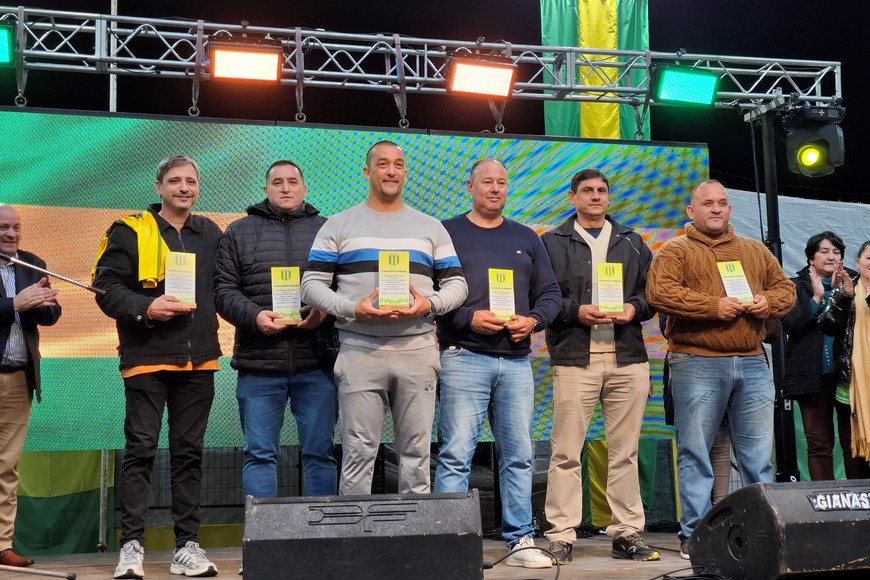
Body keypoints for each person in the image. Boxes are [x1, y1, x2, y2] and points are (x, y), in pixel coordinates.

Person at [300, 141, 468, 495]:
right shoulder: (339, 225)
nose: (391, 171)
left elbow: (458, 285)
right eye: (382, 164)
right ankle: (355, 531)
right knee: (358, 453)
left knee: (417, 455)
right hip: (360, 350)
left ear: (405, 173)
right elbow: (310, 285)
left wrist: (429, 304)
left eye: (398, 165)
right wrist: (352, 308)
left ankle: (414, 529)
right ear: (367, 172)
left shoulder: (431, 227)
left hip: (417, 350)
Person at [646, 179, 795, 560]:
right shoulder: (676, 250)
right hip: (696, 360)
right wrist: (713, 307)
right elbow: (660, 292)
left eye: (722, 203)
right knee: (695, 453)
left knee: (757, 457)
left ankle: (761, 532)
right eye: (708, 203)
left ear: (729, 209)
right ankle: (695, 536)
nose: (716, 209)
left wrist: (767, 302)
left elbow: (787, 291)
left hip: (752, 360)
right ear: (691, 211)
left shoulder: (754, 250)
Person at [93, 155, 222, 579]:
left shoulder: (210, 233)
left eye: (191, 181)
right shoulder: (129, 231)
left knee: (189, 455)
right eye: (175, 181)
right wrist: (147, 307)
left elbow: (227, 288)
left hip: (199, 361)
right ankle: (132, 547)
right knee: (141, 451)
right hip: (146, 358)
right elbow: (106, 288)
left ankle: (187, 547)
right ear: (158, 187)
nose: (184, 188)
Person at [433, 159, 560, 569]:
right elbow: (431, 294)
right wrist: (467, 319)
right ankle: (450, 543)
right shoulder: (447, 233)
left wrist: (533, 321)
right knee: (456, 455)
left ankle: (520, 540)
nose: (494, 188)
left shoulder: (526, 237)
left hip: (517, 363)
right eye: (486, 181)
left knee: (519, 455)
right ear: (469, 186)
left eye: (501, 182)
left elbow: (551, 294)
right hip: (463, 356)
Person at [540, 169, 660, 564]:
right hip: (576, 358)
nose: (595, 196)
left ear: (608, 197)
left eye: (602, 190)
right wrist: (577, 311)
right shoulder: (552, 242)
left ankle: (626, 533)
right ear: (572, 197)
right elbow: (542, 296)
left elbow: (651, 294)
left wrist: (633, 309)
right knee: (566, 451)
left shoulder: (632, 241)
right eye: (587, 190)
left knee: (625, 452)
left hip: (627, 358)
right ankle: (561, 534)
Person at [215, 160, 339, 498]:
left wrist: (324, 311)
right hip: (259, 365)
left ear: (304, 188)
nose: (285, 188)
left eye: (293, 182)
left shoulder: (328, 231)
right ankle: (263, 531)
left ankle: (321, 527)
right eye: (278, 182)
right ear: (266, 189)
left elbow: (344, 286)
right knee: (259, 455)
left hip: (317, 363)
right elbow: (223, 290)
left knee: (320, 454)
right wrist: (255, 316)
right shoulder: (238, 232)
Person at [0, 205, 61, 569]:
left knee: (7, 465)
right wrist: (13, 304)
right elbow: (13, 306)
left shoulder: (32, 264)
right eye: (3, 228)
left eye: (16, 227)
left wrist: (41, 303)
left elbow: (51, 315)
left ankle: (1, 545)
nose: (11, 234)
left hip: (19, 378)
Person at [783, 231, 862, 479]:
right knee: (819, 443)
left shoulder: (856, 284)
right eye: (824, 251)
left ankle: (859, 496)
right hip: (811, 376)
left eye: (836, 252)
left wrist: (843, 294)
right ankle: (823, 497)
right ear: (811, 258)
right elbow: (792, 325)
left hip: (849, 377)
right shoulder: (794, 286)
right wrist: (817, 297)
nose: (831, 257)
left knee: (853, 441)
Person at [818, 240, 870, 477]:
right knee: (852, 449)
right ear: (858, 262)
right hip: (851, 385)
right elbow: (826, 325)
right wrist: (845, 297)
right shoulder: (846, 290)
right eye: (868, 258)